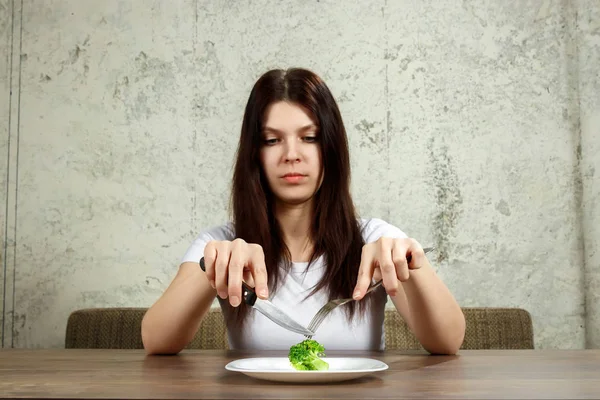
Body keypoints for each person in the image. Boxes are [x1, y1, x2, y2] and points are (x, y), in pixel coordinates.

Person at [141, 68, 465, 355]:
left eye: (309, 138)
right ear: (254, 154)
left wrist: (412, 263)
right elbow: (156, 340)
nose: (291, 155)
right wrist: (213, 268)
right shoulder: (223, 243)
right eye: (272, 140)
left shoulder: (375, 240)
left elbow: (448, 342)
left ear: (331, 150)